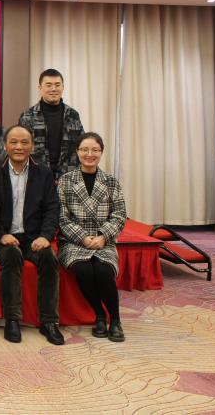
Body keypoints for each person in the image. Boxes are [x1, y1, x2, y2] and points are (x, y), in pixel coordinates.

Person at [0, 125, 63, 345]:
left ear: (32, 145)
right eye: (13, 142)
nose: (19, 147)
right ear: (5, 145)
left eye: (24, 142)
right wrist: (1, 235)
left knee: (49, 257)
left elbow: (52, 208)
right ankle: (12, 319)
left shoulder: (43, 172)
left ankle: (49, 322)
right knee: (12, 255)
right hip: (4, 237)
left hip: (33, 237)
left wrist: (46, 236)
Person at [58, 132, 127, 343]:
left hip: (104, 240)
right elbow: (61, 217)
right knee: (84, 269)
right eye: (84, 150)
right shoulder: (66, 181)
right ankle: (99, 314)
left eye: (95, 150)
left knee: (104, 270)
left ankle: (115, 320)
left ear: (101, 152)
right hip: (73, 241)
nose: (89, 154)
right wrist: (82, 238)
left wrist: (104, 236)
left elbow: (119, 215)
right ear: (77, 152)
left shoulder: (111, 182)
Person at [18, 68, 84, 179]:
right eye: (48, 85)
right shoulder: (27, 116)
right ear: (40, 88)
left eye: (57, 85)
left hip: (68, 178)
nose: (53, 89)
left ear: (63, 87)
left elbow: (81, 145)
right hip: (36, 176)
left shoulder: (73, 115)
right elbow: (21, 148)